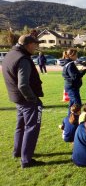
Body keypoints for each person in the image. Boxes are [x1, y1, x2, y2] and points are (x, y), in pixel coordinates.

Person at [2, 34, 44, 168]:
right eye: (35, 44)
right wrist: (33, 100)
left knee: (20, 126)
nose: (36, 47)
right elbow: (23, 85)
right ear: (28, 45)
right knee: (31, 128)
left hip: (17, 99)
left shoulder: (10, 54)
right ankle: (26, 160)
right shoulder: (23, 59)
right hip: (26, 100)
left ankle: (18, 152)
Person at [62, 48, 86, 114]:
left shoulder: (68, 63)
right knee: (77, 104)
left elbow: (66, 75)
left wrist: (79, 72)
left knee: (72, 103)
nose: (77, 57)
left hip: (71, 86)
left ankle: (69, 118)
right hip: (72, 87)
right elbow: (74, 77)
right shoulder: (70, 64)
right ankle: (74, 119)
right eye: (76, 55)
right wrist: (82, 72)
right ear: (71, 55)